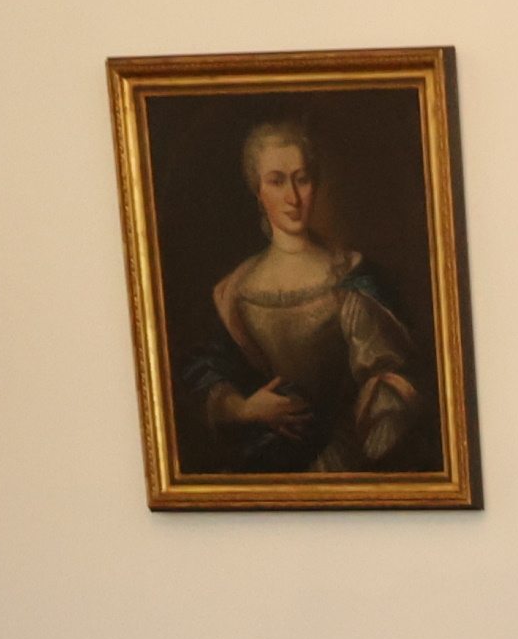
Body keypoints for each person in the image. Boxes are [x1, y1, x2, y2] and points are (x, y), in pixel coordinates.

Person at [178, 112, 430, 475]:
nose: (293, 197)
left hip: (346, 462)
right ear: (258, 191)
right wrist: (244, 408)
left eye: (302, 180)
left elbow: (398, 376)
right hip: (263, 468)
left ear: (316, 184)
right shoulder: (234, 291)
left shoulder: (351, 277)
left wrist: (380, 404)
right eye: (277, 181)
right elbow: (202, 374)